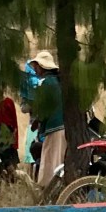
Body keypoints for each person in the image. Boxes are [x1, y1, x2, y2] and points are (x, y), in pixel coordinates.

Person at [29, 50, 65, 185]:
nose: (35, 70)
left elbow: (42, 108)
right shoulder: (58, 81)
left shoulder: (45, 83)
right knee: (58, 157)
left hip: (54, 127)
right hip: (62, 126)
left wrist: (37, 120)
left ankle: (48, 188)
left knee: (51, 160)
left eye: (36, 66)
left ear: (42, 67)